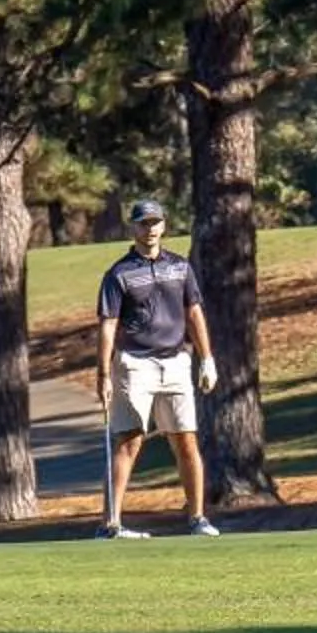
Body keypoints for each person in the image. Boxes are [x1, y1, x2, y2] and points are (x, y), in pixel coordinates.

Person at [94, 199, 220, 538]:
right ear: (133, 227)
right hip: (134, 364)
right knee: (129, 440)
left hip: (176, 362)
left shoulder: (180, 267)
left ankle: (197, 518)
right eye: (143, 223)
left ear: (164, 226)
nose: (149, 229)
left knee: (186, 439)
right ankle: (111, 524)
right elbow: (108, 325)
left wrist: (207, 358)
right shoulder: (119, 274)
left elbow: (193, 313)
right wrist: (103, 374)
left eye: (155, 223)